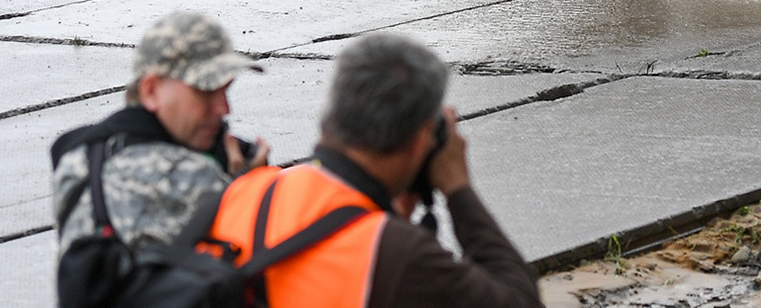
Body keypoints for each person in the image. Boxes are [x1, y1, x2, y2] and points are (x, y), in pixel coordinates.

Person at [201, 33, 541, 308]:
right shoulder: (398, 254)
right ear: (423, 138)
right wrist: (458, 188)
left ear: (333, 116)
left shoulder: (241, 192)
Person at [50, 11, 270, 254]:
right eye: (205, 91)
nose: (224, 108)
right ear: (151, 91)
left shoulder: (79, 158)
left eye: (225, 90)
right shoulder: (191, 177)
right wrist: (251, 189)